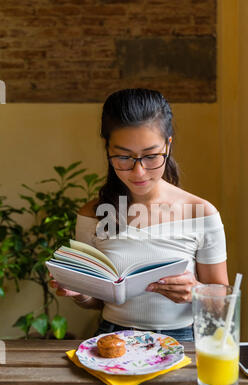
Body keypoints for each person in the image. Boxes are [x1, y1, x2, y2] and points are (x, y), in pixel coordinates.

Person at [50, 88, 228, 342]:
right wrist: (78, 291)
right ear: (107, 149)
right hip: (112, 338)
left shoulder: (200, 213)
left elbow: (221, 302)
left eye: (151, 156)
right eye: (123, 156)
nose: (139, 171)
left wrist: (198, 291)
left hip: (183, 341)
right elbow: (96, 302)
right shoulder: (92, 215)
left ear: (168, 144)